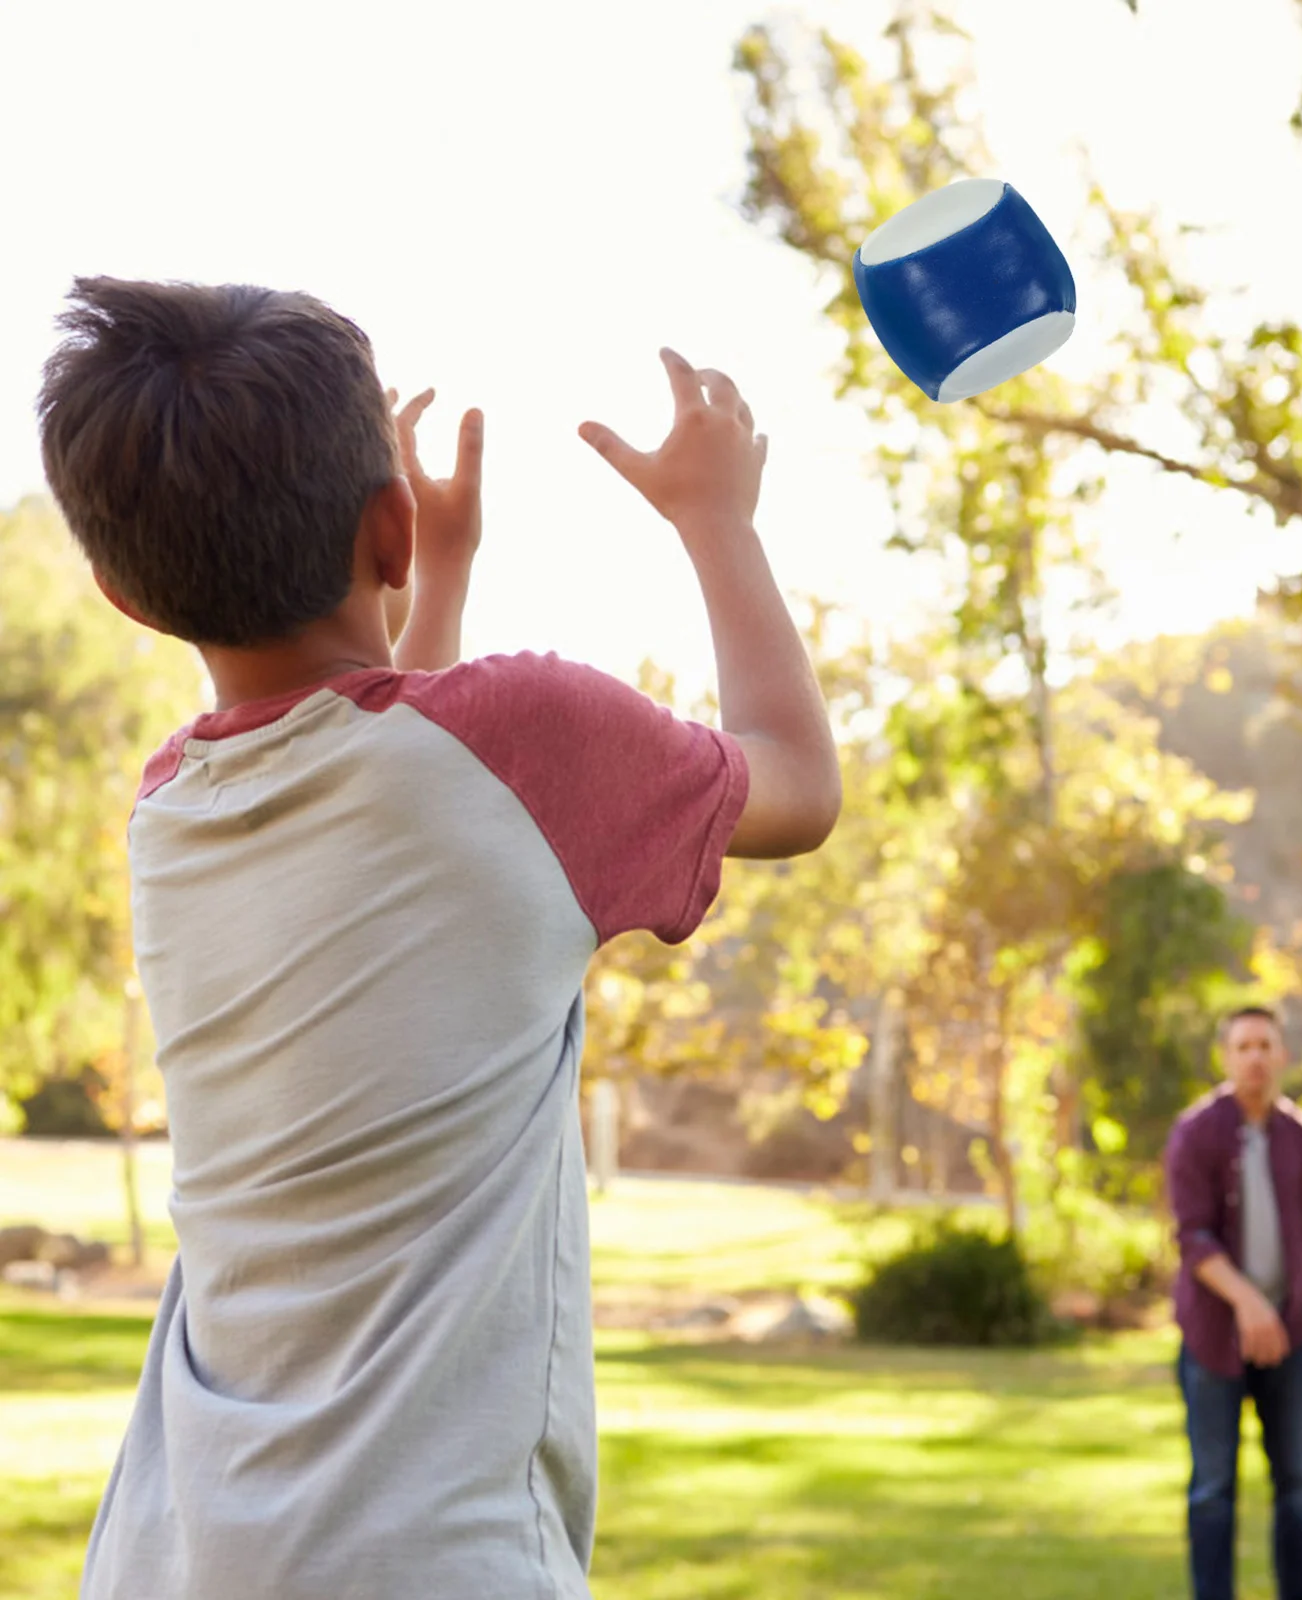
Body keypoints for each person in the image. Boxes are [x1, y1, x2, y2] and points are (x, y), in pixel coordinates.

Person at [37, 277, 841, 1600]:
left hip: (174, 1553)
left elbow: (403, 780)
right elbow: (798, 783)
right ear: (386, 528)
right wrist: (714, 517)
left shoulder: (170, 808)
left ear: (126, 597)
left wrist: (438, 570)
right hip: (428, 1560)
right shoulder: (527, 739)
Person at [1163, 1005, 1302, 1600]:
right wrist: (1248, 1301)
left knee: (1297, 1488)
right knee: (1213, 1489)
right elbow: (1192, 1236)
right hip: (1212, 1340)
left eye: (1265, 1045)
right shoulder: (1194, 1133)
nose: (1255, 1056)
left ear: (1282, 1055)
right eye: (1243, 1046)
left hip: (1293, 1339)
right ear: (1227, 1057)